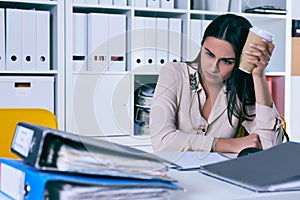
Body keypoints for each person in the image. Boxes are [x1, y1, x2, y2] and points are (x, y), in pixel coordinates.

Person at [149, 13, 284, 153]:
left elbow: (270, 148)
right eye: (209, 54)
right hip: (174, 173)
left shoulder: (240, 87)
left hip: (220, 173)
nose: (213, 68)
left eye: (227, 61)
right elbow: (162, 142)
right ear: (202, 47)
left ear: (239, 62)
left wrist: (258, 75)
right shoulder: (174, 73)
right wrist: (229, 145)